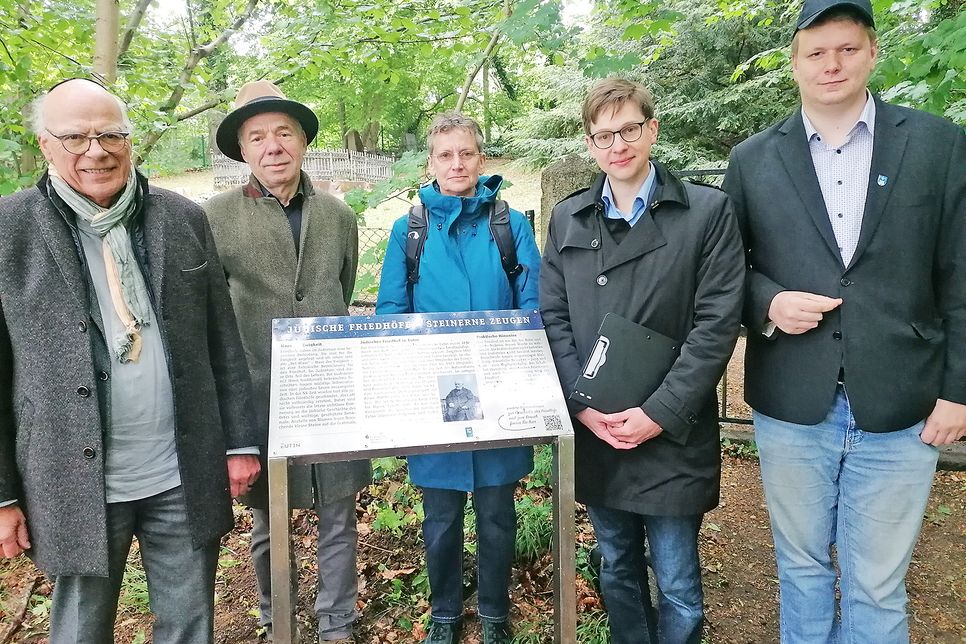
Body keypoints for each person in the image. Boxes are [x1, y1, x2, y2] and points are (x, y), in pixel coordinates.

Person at [722, 0, 966, 641]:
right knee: (800, 569)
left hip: (903, 403)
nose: (832, 64)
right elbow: (726, 273)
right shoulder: (752, 160)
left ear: (872, 52)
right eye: (815, 52)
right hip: (792, 405)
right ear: (794, 63)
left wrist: (958, 391)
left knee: (878, 584)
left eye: (847, 49)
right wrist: (769, 302)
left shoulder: (938, 145)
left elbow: (960, 275)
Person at [0, 78, 261, 643]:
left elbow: (221, 338)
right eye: (75, 137)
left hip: (180, 468)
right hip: (70, 478)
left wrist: (239, 442)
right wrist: (2, 494)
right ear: (45, 145)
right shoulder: (10, 229)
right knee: (79, 628)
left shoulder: (181, 217)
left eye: (111, 134)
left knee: (190, 622)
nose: (96, 150)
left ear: (130, 141)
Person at [541, 77, 744, 644]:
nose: (617, 145)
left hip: (670, 431)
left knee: (677, 582)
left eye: (628, 129)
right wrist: (581, 407)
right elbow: (552, 317)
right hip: (599, 427)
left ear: (651, 129)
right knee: (616, 567)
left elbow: (716, 324)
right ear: (589, 144)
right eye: (603, 135)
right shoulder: (569, 219)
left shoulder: (706, 212)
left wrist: (659, 411)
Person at [203, 80, 371, 643]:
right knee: (268, 518)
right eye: (257, 138)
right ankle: (279, 618)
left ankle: (337, 621)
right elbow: (211, 314)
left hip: (330, 387)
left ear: (302, 142)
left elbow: (340, 286)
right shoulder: (214, 219)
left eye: (283, 133)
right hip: (257, 391)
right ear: (243, 152)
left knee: (338, 510)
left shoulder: (339, 216)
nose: (272, 146)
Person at [376, 112, 540, 644]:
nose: (456, 163)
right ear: (431, 163)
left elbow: (533, 306)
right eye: (445, 155)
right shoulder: (411, 229)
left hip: (500, 394)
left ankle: (494, 611)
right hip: (432, 398)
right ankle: (445, 611)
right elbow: (391, 313)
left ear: (480, 159)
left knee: (497, 513)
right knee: (440, 516)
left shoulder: (509, 225)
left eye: (465, 153)